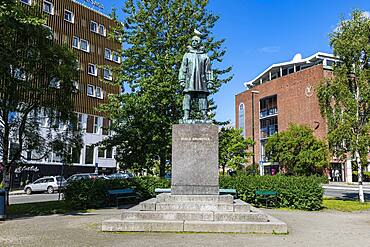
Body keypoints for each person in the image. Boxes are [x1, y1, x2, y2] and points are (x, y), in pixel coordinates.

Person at [178, 29, 213, 121]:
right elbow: (183, 68)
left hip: (201, 80)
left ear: (199, 43)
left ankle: (204, 115)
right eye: (192, 41)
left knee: (202, 96)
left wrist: (210, 81)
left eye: (196, 41)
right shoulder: (187, 55)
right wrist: (182, 80)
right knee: (187, 96)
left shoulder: (205, 56)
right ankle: (186, 115)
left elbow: (208, 70)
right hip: (190, 80)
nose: (194, 43)